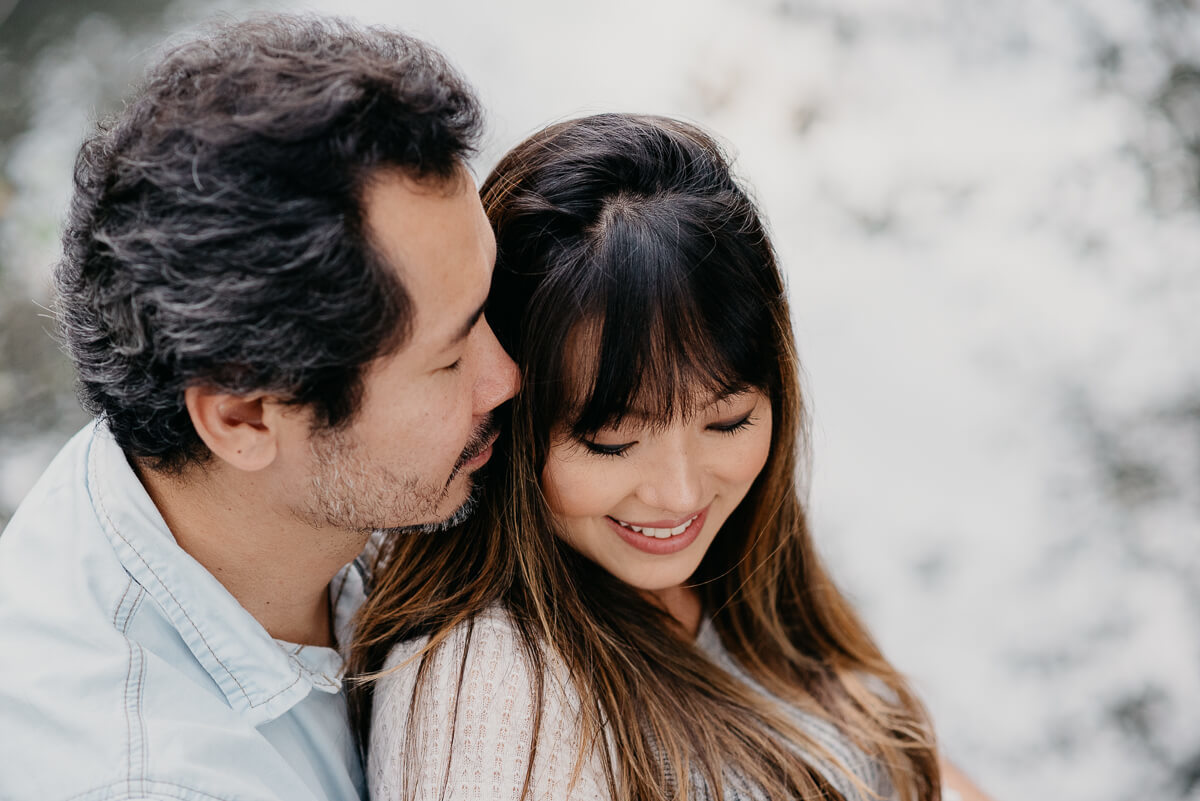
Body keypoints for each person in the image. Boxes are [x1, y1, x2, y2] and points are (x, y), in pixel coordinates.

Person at [352, 114, 992, 801]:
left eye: (727, 421)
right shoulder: (488, 685)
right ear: (507, 408)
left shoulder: (738, 570)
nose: (681, 493)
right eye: (613, 442)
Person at [0, 15, 517, 801]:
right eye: (449, 357)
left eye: (489, 308)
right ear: (243, 418)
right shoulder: (156, 776)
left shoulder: (254, 493)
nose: (506, 376)